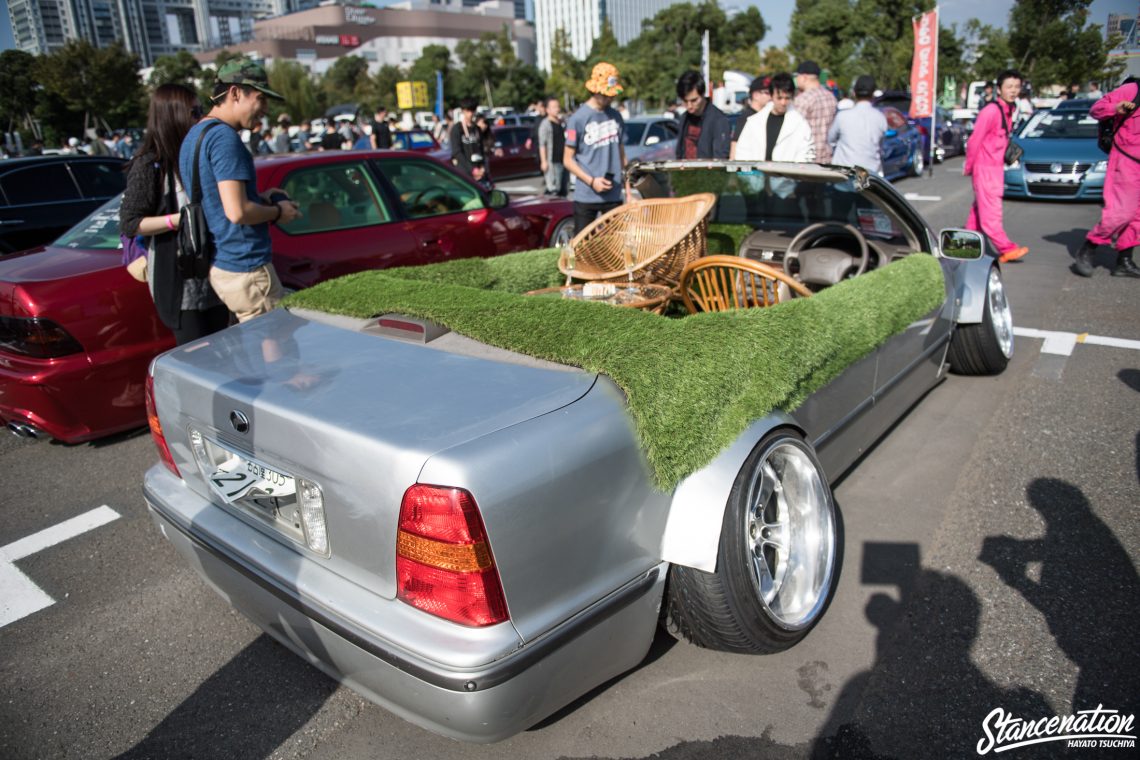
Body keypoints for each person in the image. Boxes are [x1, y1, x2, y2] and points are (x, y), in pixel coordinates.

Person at [179, 58, 301, 324]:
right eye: (260, 98)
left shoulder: (195, 135)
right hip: (247, 267)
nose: (265, 109)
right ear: (235, 92)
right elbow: (237, 211)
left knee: (256, 354)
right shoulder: (224, 138)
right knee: (278, 355)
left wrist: (260, 198)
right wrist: (277, 211)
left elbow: (217, 200)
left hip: (222, 264)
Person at [121, 84, 229, 344]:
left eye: (201, 110)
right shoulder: (150, 164)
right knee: (198, 359)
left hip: (215, 269)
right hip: (179, 280)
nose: (201, 117)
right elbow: (131, 223)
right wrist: (179, 219)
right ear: (173, 115)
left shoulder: (199, 153)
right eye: (194, 112)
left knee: (229, 354)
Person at [1072, 78, 1140, 278]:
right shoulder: (1132, 89)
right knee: (1122, 213)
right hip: (1126, 161)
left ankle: (1124, 261)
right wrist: (1116, 108)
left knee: (1137, 217)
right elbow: (1097, 108)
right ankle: (1089, 246)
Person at [964, 69, 1029, 263]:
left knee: (978, 211)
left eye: (1017, 87)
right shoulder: (991, 111)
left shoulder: (1009, 108)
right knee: (991, 211)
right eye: (1009, 86)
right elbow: (975, 140)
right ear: (998, 89)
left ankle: (965, 246)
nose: (1014, 90)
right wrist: (970, 166)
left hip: (994, 168)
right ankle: (1006, 248)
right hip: (986, 169)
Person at [564, 61, 627, 233]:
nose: (611, 98)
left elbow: (622, 155)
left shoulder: (616, 117)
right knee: (582, 249)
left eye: (612, 95)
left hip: (613, 194)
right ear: (595, 91)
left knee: (615, 248)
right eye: (607, 94)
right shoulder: (578, 118)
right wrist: (592, 181)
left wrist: (628, 188)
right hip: (586, 195)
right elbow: (568, 160)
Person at [734, 73, 814, 162]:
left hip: (788, 175)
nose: (783, 102)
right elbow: (742, 153)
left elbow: (806, 156)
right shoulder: (754, 122)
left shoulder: (800, 124)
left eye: (787, 98)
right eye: (779, 98)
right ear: (771, 96)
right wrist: (751, 175)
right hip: (756, 175)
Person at [827, 75, 888, 176]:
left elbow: (830, 140)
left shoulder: (842, 116)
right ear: (873, 94)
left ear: (854, 93)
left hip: (844, 176)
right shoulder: (880, 118)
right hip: (871, 176)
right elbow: (880, 145)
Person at [673, 69, 732, 159]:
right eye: (685, 101)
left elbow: (721, 157)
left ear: (703, 94)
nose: (689, 106)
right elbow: (679, 152)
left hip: (708, 172)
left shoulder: (718, 120)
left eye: (694, 100)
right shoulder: (684, 118)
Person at [793, 60, 838, 163]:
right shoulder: (831, 97)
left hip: (808, 158)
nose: (796, 79)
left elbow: (794, 129)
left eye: (797, 76)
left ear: (804, 77)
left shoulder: (803, 99)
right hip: (827, 158)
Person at [730, 75, 771, 159]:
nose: (771, 97)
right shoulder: (746, 117)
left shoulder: (765, 116)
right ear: (755, 95)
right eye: (767, 93)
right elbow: (735, 146)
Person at [450, 98, 488, 184]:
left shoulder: (477, 129)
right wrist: (472, 169)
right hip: (465, 173)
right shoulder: (457, 129)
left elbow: (481, 150)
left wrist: (482, 167)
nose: (471, 113)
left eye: (473, 110)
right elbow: (457, 152)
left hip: (479, 171)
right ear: (463, 111)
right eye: (468, 111)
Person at [537, 96, 566, 196]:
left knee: (564, 189)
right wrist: (544, 161)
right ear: (547, 110)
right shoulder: (545, 124)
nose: (557, 109)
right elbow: (542, 144)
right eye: (554, 107)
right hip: (553, 161)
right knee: (554, 189)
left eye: (558, 106)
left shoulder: (561, 122)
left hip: (564, 160)